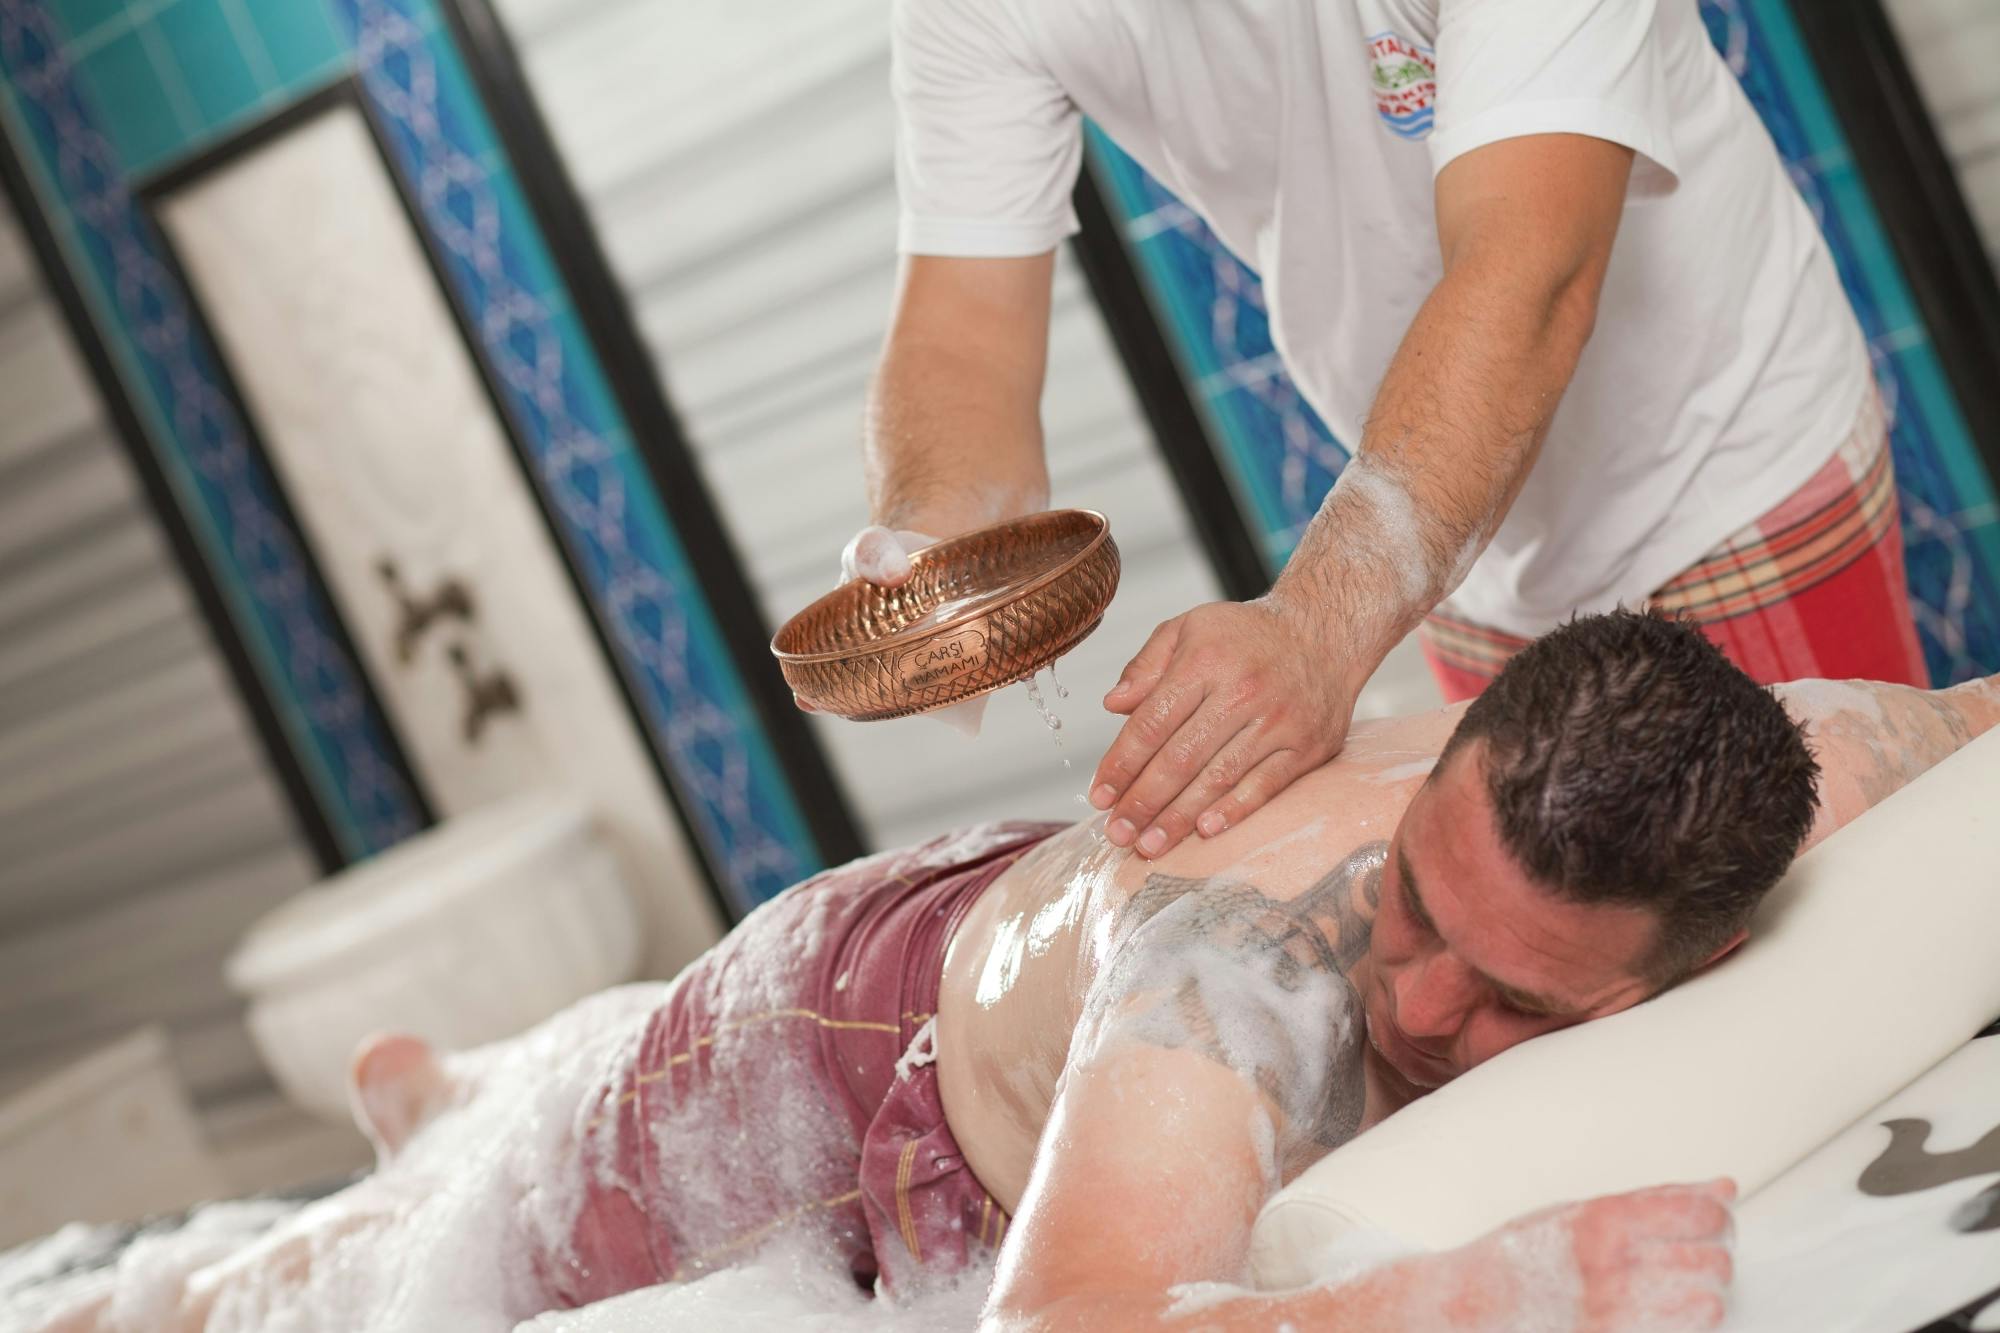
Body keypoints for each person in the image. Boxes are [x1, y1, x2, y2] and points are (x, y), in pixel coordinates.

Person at [44, 614, 1998, 1332]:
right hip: (833, 1053)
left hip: (1029, 938)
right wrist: (1488, 1294)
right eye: (1415, 907)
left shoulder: (1817, 769)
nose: (1415, 1009)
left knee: (517, 1131)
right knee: (331, 1299)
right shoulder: (1241, 979)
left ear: (1705, 945)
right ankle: (287, 1218)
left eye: (1514, 1006)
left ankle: (465, 1089)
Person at [854, 0, 1929, 865]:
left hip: (1717, 460)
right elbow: (963, 335)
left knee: (1842, 914)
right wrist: (931, 551)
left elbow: (1530, 266)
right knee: (1562, 951)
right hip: (1451, 538)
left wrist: (1318, 629)